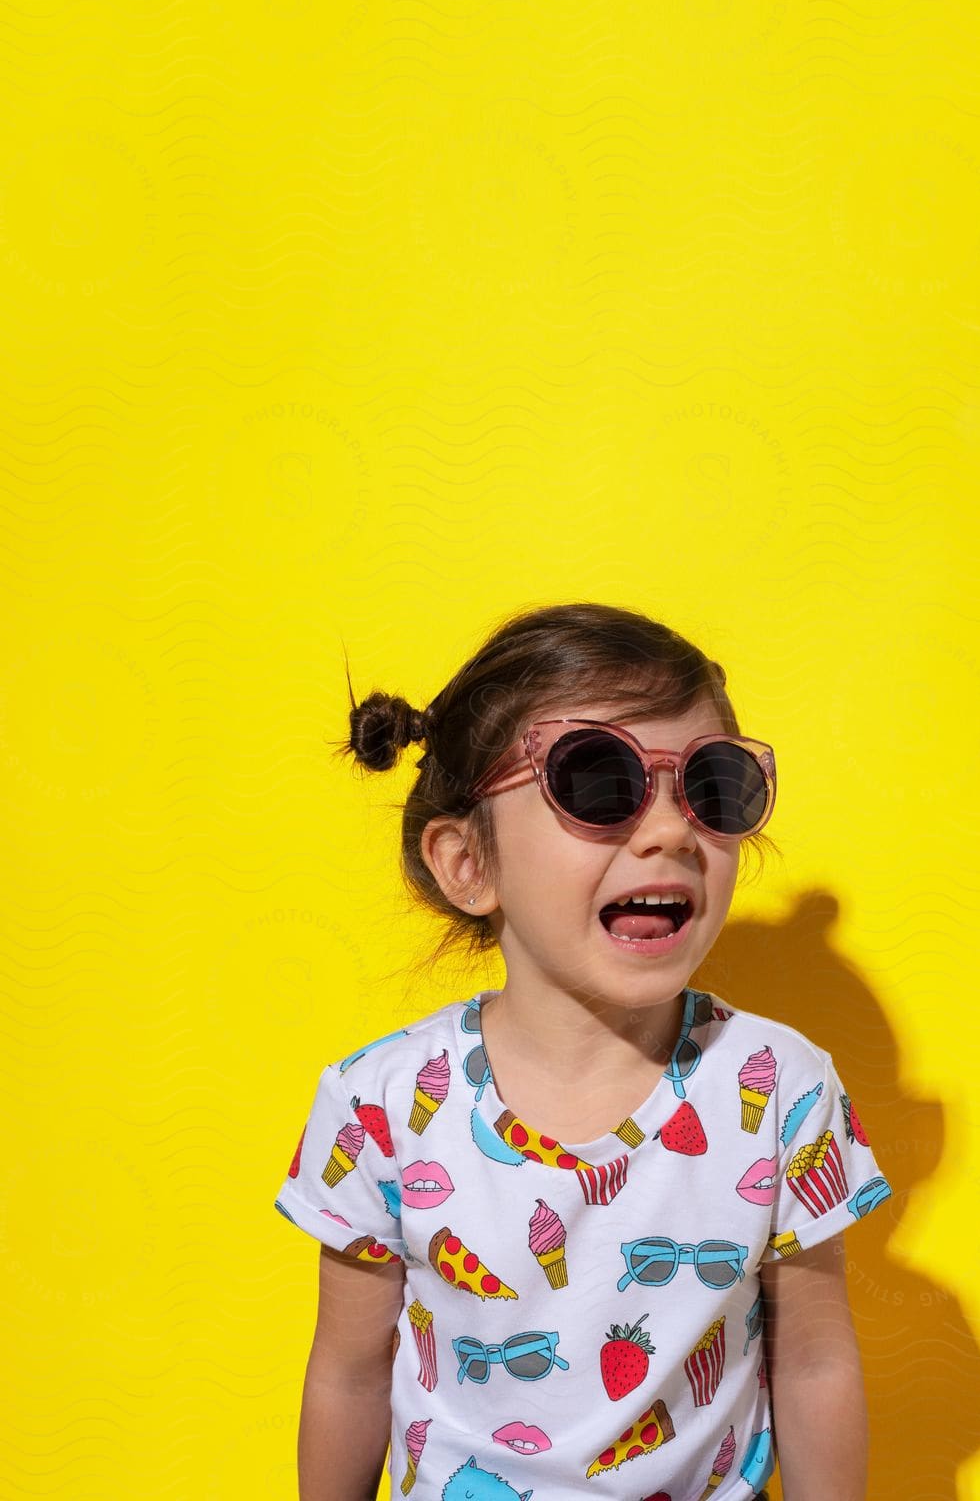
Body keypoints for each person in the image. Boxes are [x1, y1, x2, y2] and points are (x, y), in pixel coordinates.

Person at [274, 601, 892, 1501]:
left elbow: (814, 1367)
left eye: (712, 787)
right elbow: (349, 1375)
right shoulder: (381, 1103)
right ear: (466, 864)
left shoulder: (777, 1087)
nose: (674, 831)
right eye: (600, 784)